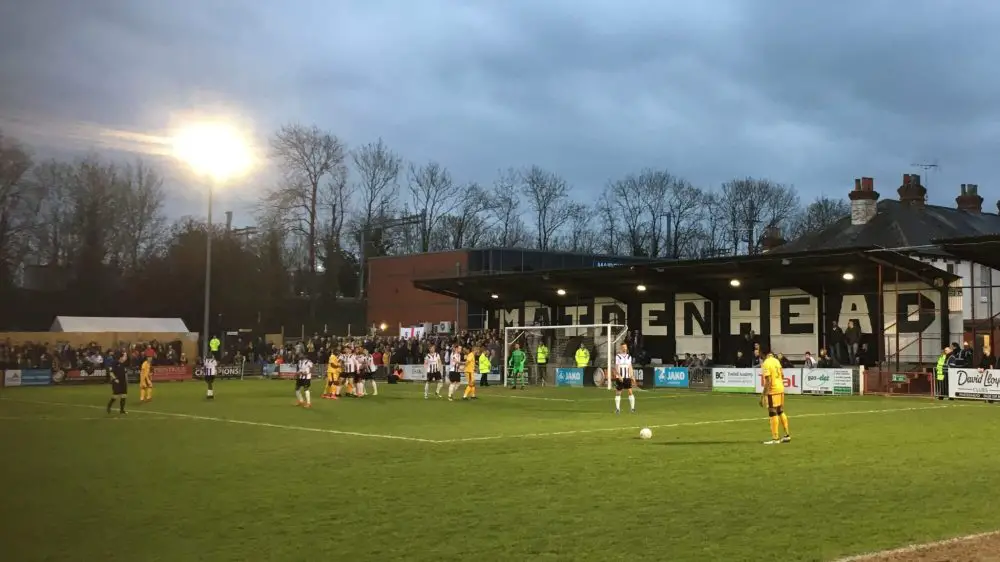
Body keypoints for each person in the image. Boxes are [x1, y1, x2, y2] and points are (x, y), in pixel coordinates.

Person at [760, 350, 791, 445]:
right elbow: (782, 375)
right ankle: (787, 435)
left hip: (772, 390)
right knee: (780, 410)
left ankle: (775, 438)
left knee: (772, 412)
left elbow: (768, 380)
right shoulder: (777, 361)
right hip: (780, 387)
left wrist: (763, 395)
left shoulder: (766, 363)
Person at [613, 343, 635, 414]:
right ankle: (617, 409)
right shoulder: (618, 356)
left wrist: (632, 376)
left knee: (630, 391)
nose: (624, 348)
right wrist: (619, 375)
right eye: (623, 347)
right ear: (621, 348)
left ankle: (632, 408)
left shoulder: (629, 357)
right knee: (618, 392)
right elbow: (616, 366)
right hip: (620, 377)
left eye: (625, 347)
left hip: (627, 377)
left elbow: (630, 367)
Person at [107, 351, 128, 415]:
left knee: (124, 395)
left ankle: (122, 410)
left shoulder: (123, 364)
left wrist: (126, 381)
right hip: (117, 382)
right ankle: (109, 406)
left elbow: (125, 373)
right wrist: (115, 379)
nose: (126, 357)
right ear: (121, 357)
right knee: (115, 396)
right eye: (125, 356)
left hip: (123, 382)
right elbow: (111, 372)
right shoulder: (115, 363)